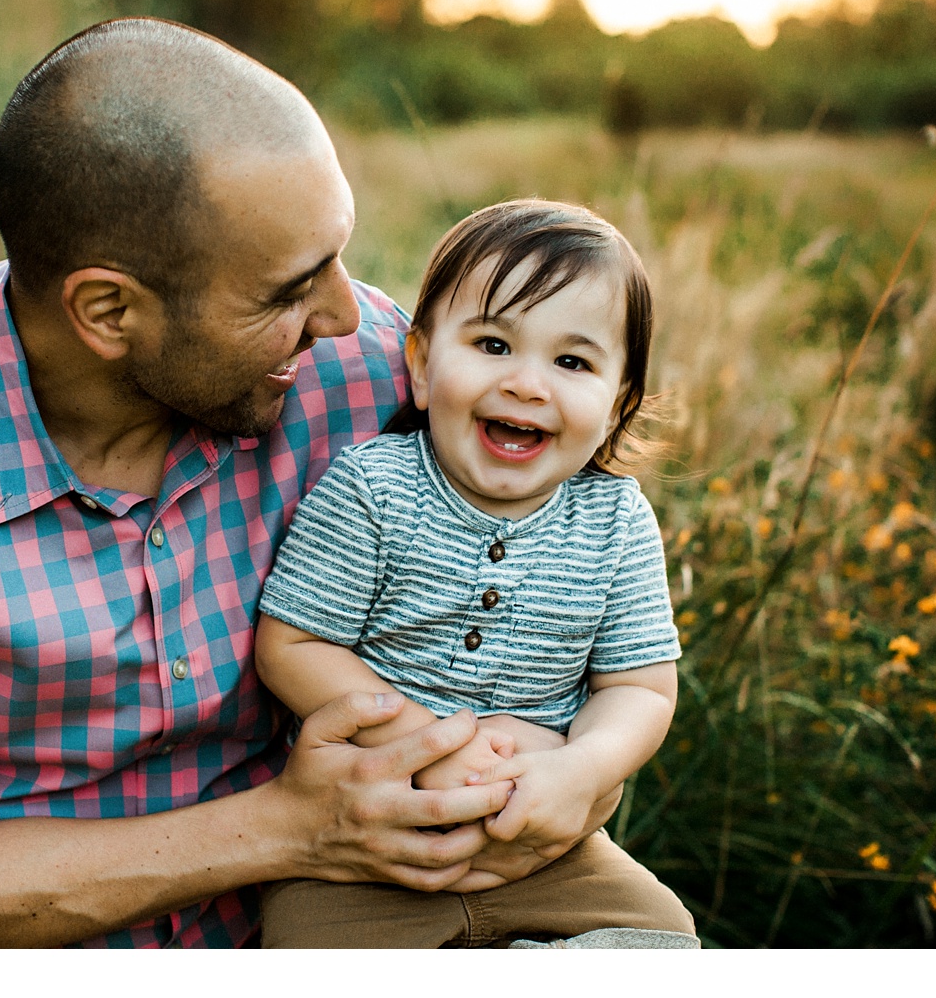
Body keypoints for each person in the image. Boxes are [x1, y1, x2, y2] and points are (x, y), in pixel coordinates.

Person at [0, 18, 610, 948]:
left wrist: (571, 767)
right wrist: (289, 829)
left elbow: (571, 612)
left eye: (339, 256)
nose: (343, 313)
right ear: (108, 310)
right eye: (287, 291)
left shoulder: (371, 374)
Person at [251, 200, 695, 947]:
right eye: (493, 343)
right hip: (362, 851)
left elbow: (640, 687)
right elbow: (291, 645)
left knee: (663, 938)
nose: (527, 383)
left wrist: (583, 770)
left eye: (572, 362)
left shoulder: (615, 520)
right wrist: (430, 740)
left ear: (615, 405)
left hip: (546, 851)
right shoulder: (374, 487)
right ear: (422, 367)